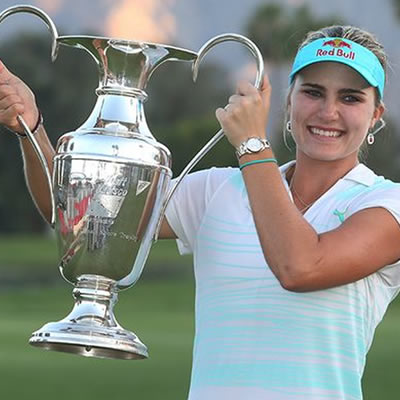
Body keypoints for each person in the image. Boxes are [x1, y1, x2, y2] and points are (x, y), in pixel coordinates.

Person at [1, 24, 400, 400]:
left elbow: (300, 267)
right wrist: (31, 128)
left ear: (375, 114)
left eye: (350, 98)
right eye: (313, 92)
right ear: (288, 98)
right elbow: (78, 221)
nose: (328, 112)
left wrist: (252, 146)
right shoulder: (217, 190)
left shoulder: (384, 204)